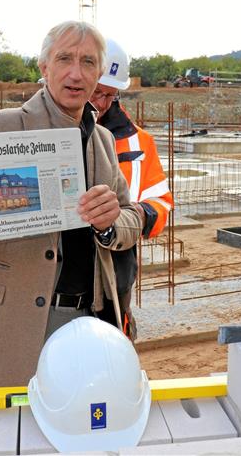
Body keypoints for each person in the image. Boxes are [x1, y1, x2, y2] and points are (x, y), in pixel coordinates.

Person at [0, 21, 143, 388]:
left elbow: (132, 216)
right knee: (4, 434)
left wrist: (111, 223)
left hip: (89, 320)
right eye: (64, 59)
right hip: (12, 323)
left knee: (76, 427)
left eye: (88, 62)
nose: (76, 73)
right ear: (44, 68)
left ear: (98, 74)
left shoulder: (104, 141)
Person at [89, 38, 174, 339]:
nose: (100, 104)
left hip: (116, 275)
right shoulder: (46, 133)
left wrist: (137, 214)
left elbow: (161, 202)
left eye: (109, 95)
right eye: (96, 91)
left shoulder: (139, 142)